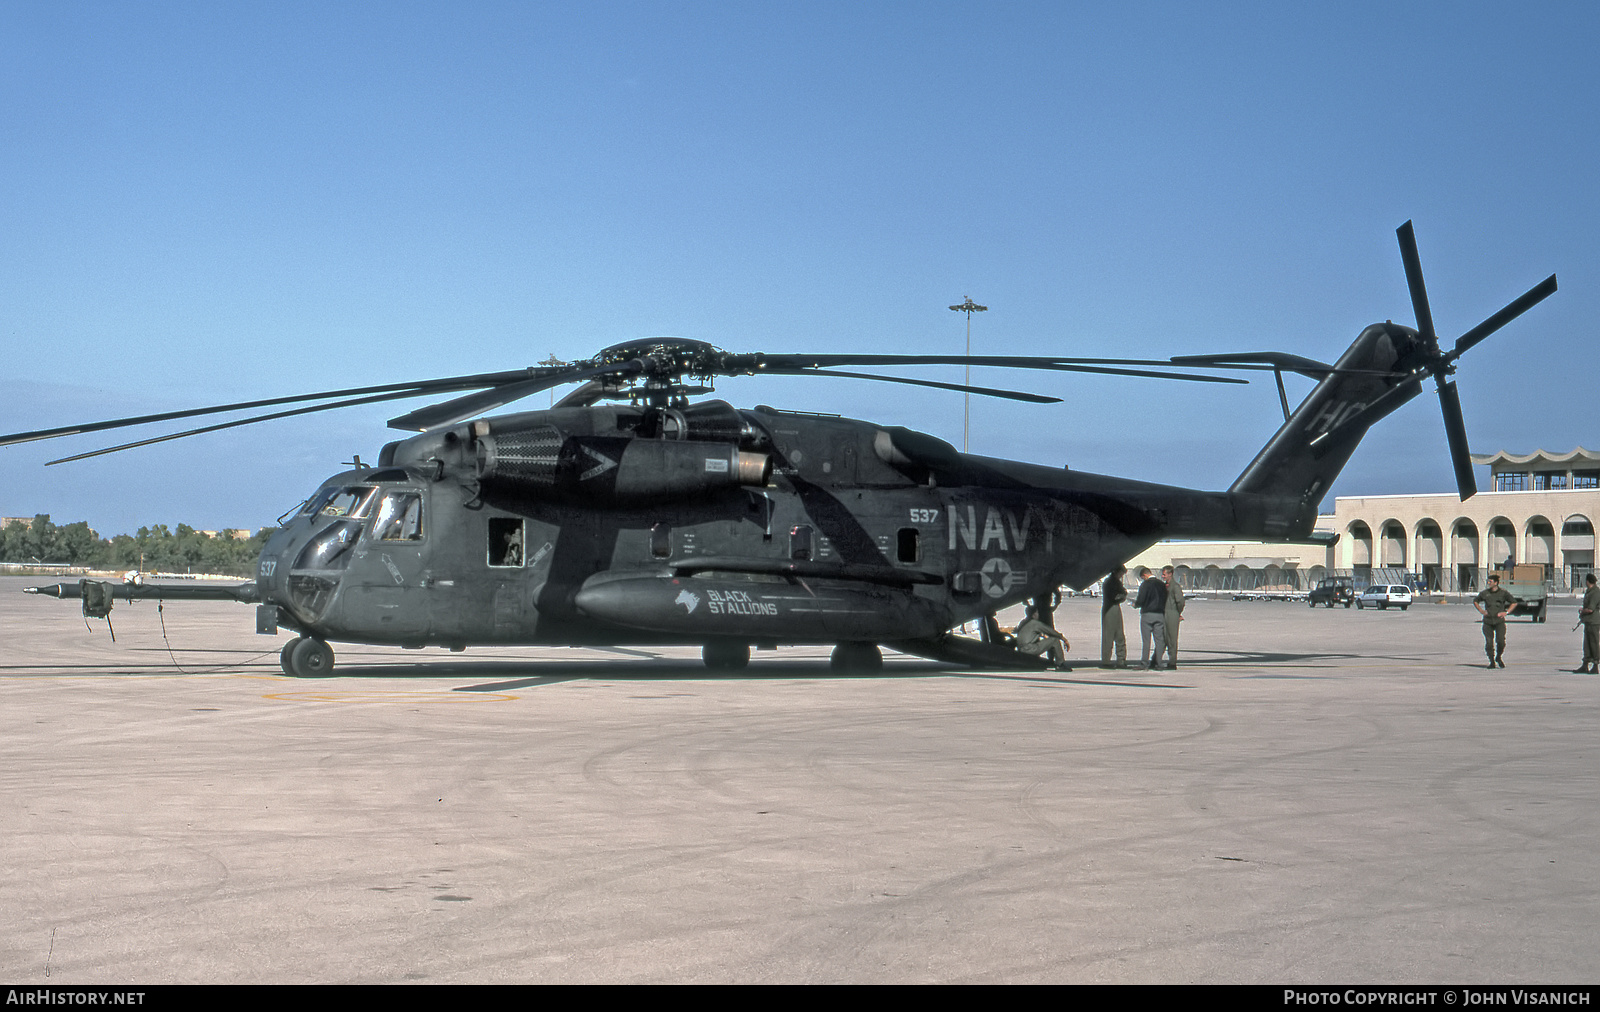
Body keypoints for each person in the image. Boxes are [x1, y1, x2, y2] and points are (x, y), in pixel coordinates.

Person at [1474, 572, 1516, 668]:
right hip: (1488, 621)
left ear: (1496, 583)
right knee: (1489, 642)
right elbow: (1476, 601)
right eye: (1488, 581)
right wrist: (1481, 610)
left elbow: (1513, 602)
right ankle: (1491, 661)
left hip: (1499, 622)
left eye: (1490, 581)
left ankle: (1498, 657)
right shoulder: (1485, 593)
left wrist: (1506, 612)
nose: (1489, 583)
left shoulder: (1503, 593)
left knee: (1501, 641)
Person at [1132, 566, 1168, 670]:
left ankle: (1144, 663)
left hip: (1147, 614)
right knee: (1159, 640)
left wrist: (1136, 604)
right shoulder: (1161, 584)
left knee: (1146, 640)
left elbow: (1141, 599)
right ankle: (1159, 662)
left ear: (1144, 575)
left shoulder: (1145, 585)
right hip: (1160, 614)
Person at [1100, 564, 1128, 669]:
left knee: (1119, 635)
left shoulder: (1112, 582)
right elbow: (1115, 597)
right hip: (1111, 608)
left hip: (1113, 608)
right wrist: (1123, 594)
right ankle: (1107, 661)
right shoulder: (1111, 582)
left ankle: (1119, 660)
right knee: (1109, 636)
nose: (1121, 576)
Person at [1162, 565, 1186, 669]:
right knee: (1163, 637)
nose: (1163, 576)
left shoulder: (1175, 586)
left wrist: (1177, 613)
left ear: (1170, 574)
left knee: (1172, 639)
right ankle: (1157, 659)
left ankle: (1172, 662)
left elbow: (1180, 601)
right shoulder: (1165, 586)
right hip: (1164, 613)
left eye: (1164, 574)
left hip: (1172, 613)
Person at [1577, 573, 1600, 674]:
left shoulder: (1595, 592)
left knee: (1594, 643)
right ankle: (1585, 664)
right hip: (1588, 621)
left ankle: (1595, 665)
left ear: (1587, 581)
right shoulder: (1589, 591)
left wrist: (1582, 610)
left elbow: (1590, 609)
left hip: (1593, 621)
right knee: (1586, 644)